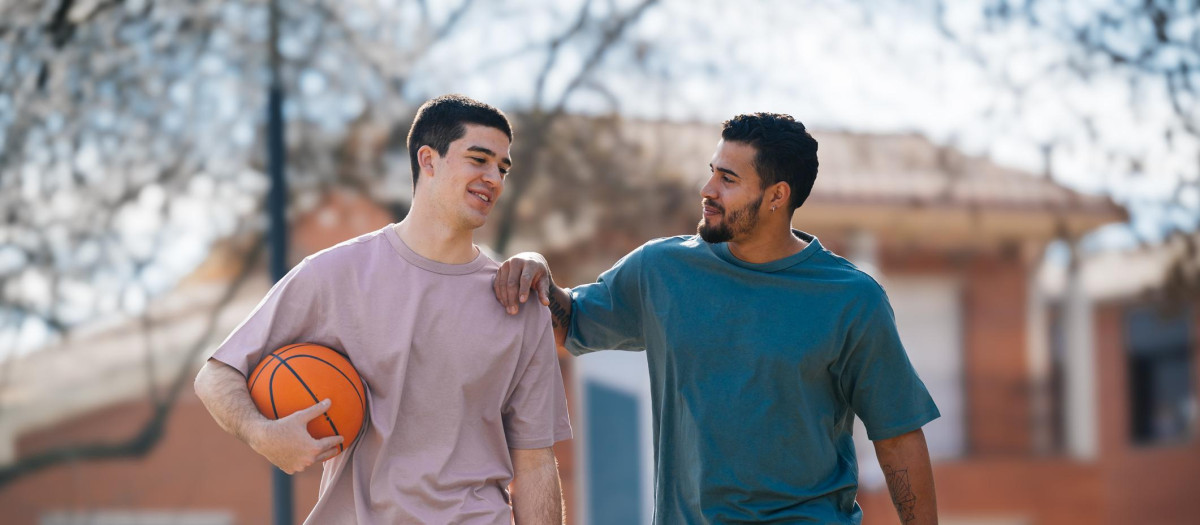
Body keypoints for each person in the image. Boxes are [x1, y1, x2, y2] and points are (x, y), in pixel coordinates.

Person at [496, 113, 940, 524]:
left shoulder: (851, 299)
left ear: (777, 196)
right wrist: (534, 264)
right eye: (712, 171)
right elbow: (567, 325)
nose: (708, 189)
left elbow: (898, 437)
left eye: (728, 179)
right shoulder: (661, 270)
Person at [194, 94, 572, 525]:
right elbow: (217, 374)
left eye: (502, 168)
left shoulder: (519, 301)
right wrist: (263, 435)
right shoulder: (334, 275)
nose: (494, 178)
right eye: (479, 159)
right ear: (428, 160)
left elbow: (536, 461)